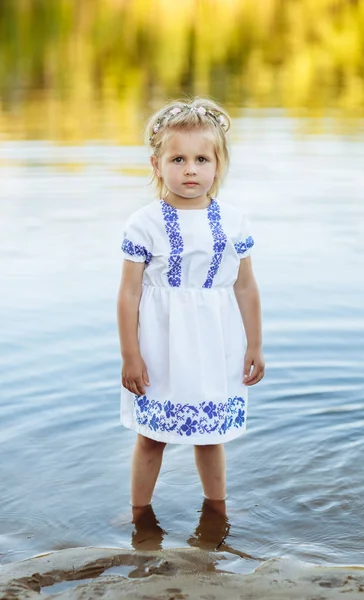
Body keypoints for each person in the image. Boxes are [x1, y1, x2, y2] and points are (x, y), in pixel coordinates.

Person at [117, 98, 265, 520]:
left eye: (202, 159)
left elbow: (246, 285)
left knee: (210, 435)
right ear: (156, 163)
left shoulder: (234, 222)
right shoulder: (144, 223)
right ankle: (138, 512)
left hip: (216, 343)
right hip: (161, 344)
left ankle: (216, 509)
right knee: (151, 435)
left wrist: (254, 345)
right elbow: (128, 293)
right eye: (178, 158)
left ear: (218, 165)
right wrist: (130, 355)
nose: (190, 169)